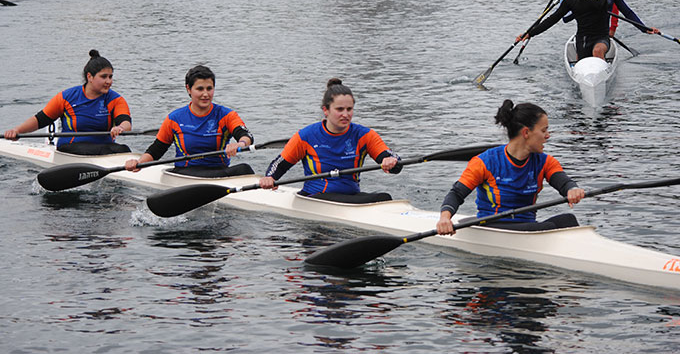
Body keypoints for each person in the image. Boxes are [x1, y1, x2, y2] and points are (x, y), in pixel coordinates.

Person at [436, 100, 585, 236]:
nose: (548, 136)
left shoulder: (545, 162)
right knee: (550, 226)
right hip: (492, 227)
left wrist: (572, 189)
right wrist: (445, 218)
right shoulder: (485, 162)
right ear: (526, 132)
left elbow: (564, 182)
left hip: (528, 227)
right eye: (544, 130)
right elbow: (457, 193)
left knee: (568, 219)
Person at [259, 78, 402, 203]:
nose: (345, 114)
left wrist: (391, 161)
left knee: (384, 197)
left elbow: (392, 160)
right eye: (340, 109)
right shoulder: (306, 136)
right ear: (326, 110)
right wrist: (270, 178)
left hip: (351, 197)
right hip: (315, 198)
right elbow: (279, 165)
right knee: (383, 197)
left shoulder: (364, 135)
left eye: (349, 109)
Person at [125, 65, 254, 178]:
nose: (205, 94)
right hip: (185, 174)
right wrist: (139, 163)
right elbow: (156, 150)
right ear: (188, 89)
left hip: (219, 172)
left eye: (209, 88)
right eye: (200, 89)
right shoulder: (174, 118)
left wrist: (240, 144)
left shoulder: (226, 115)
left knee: (244, 168)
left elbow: (246, 135)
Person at [3, 50, 132, 155]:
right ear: (90, 77)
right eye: (104, 77)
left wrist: (120, 128)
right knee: (108, 150)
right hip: (70, 148)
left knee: (123, 149)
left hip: (104, 148)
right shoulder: (67, 97)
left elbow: (125, 122)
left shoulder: (115, 99)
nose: (109, 81)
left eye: (111, 76)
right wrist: (17, 131)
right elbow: (40, 120)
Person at [517, 0, 609, 61]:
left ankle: (602, 65)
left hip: (601, 36)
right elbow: (552, 19)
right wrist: (530, 33)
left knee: (597, 51)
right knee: (582, 61)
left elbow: (598, 4)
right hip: (583, 38)